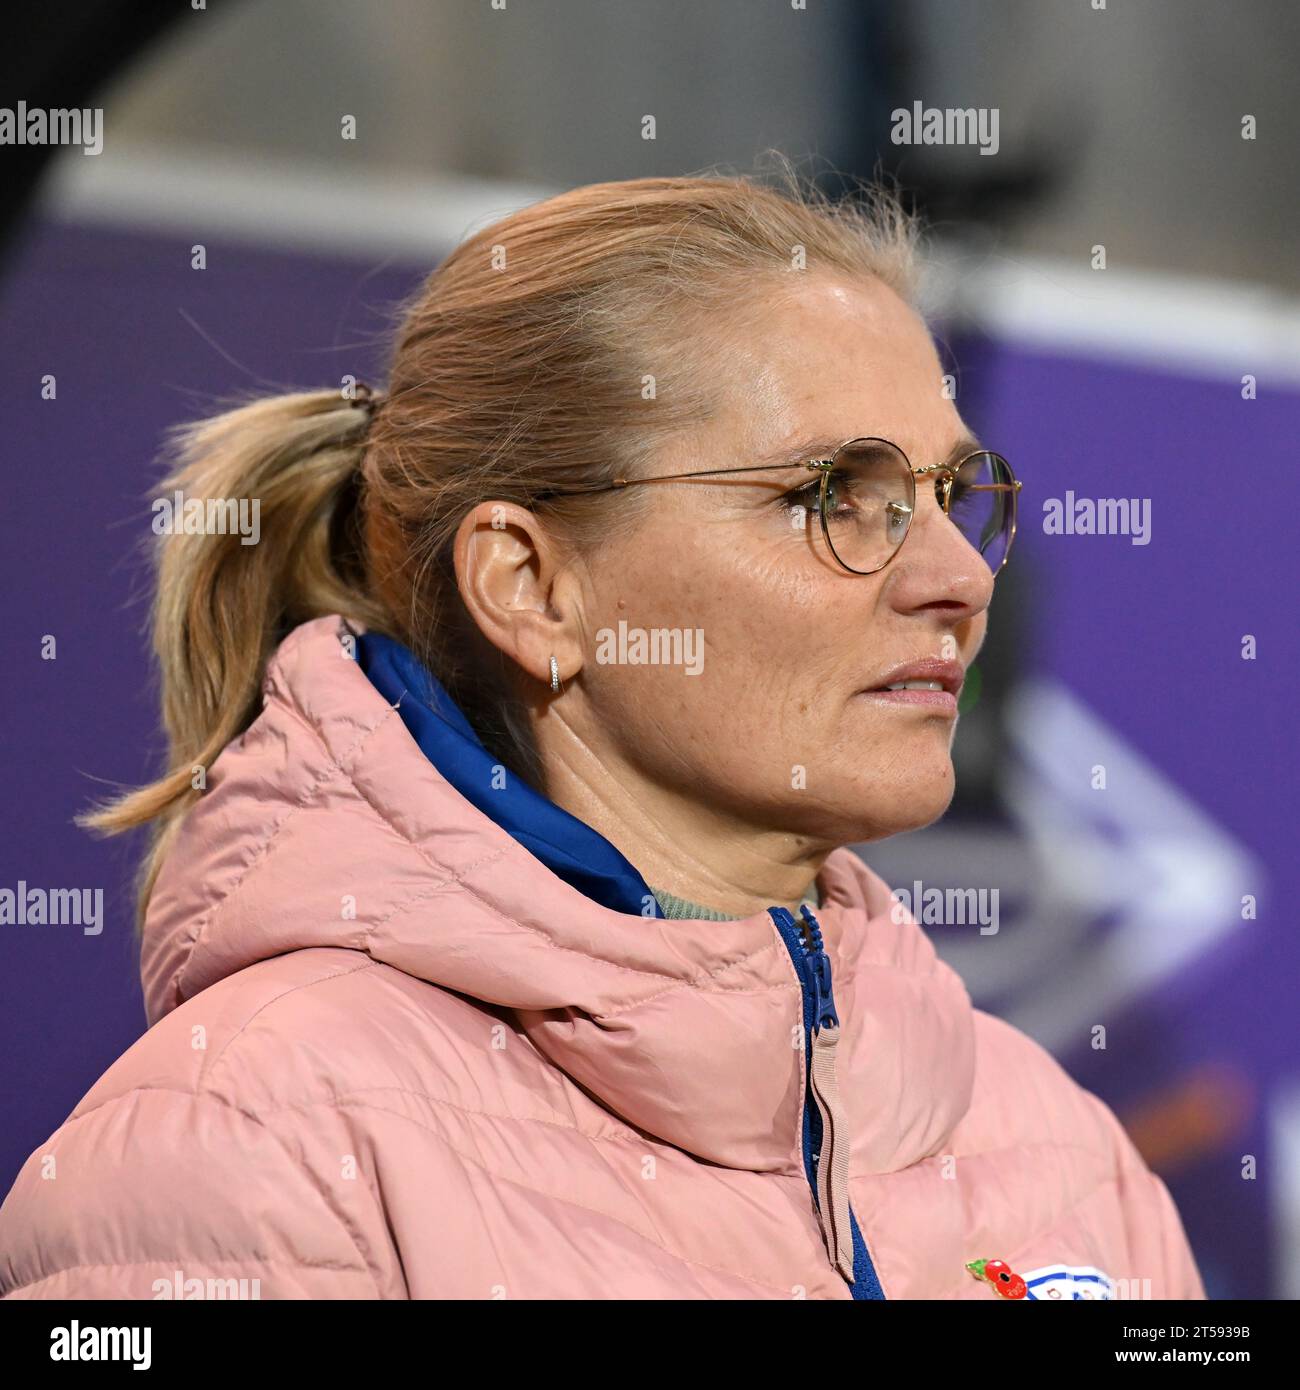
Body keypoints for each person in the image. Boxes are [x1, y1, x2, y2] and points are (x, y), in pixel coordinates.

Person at [0, 167, 1205, 1300]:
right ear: (532, 587)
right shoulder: (257, 1144)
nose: (957, 577)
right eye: (832, 495)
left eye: (949, 495)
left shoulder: (1054, 1139)